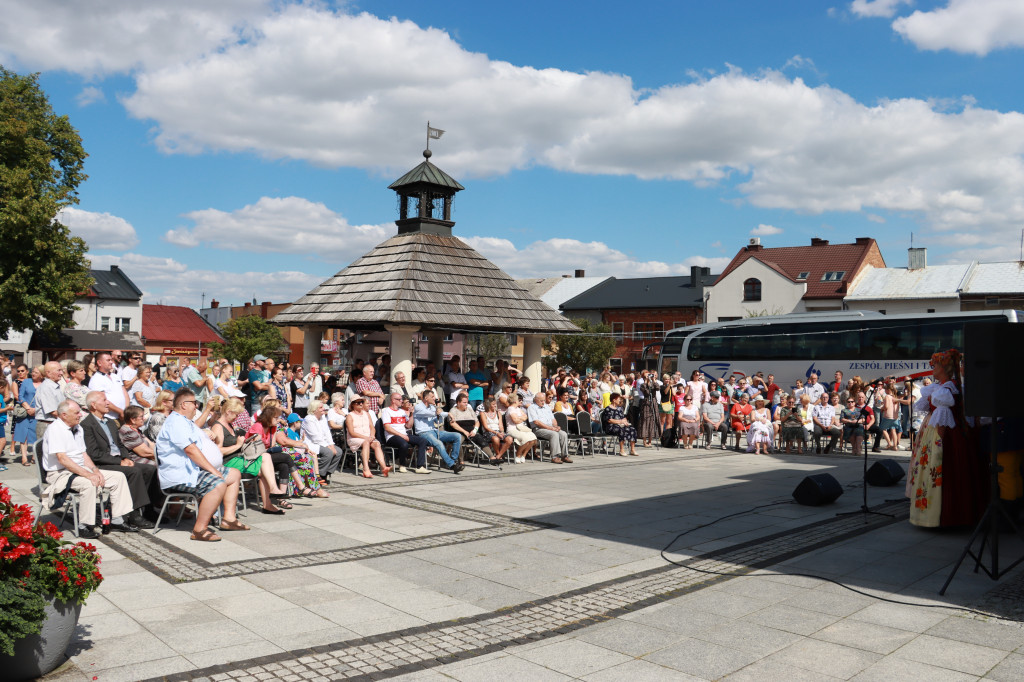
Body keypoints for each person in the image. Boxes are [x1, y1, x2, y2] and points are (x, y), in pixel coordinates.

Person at [906, 350, 986, 528]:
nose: (932, 368)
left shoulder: (949, 388)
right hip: (938, 433)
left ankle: (945, 517)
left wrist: (937, 446)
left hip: (945, 436)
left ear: (944, 367)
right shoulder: (943, 387)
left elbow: (943, 421)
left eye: (936, 365)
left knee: (943, 473)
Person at [156, 389, 249, 541]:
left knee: (233, 474)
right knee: (218, 483)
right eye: (194, 403)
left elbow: (197, 438)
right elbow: (190, 450)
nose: (196, 406)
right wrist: (213, 470)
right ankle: (199, 529)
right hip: (180, 475)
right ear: (184, 405)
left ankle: (228, 519)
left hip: (192, 470)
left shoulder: (185, 422)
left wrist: (205, 432)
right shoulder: (176, 422)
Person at [41, 401, 137, 539]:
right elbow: (62, 459)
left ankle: (117, 519)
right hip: (60, 473)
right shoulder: (55, 429)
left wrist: (94, 470)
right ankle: (85, 525)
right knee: (89, 483)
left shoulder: (77, 428)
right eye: (76, 413)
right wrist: (88, 475)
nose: (80, 415)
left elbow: (83, 454)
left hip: (80, 469)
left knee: (118, 477)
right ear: (64, 415)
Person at [412, 389, 463, 473]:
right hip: (423, 433)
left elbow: (438, 418)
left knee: (457, 435)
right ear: (426, 398)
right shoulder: (418, 407)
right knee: (439, 443)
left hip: (434, 431)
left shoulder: (432, 407)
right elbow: (428, 413)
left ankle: (453, 461)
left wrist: (444, 415)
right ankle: (452, 465)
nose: (434, 398)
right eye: (432, 397)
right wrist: (440, 413)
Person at [380, 392, 427, 473]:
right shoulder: (386, 411)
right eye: (399, 399)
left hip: (403, 434)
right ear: (393, 400)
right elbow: (387, 428)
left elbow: (408, 426)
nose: (401, 401)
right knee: (404, 444)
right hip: (391, 436)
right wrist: (402, 435)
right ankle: (402, 464)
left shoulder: (402, 412)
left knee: (422, 441)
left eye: (401, 399)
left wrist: (412, 414)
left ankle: (420, 466)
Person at [346, 397, 391, 478]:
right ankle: (366, 468)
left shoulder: (366, 414)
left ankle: (384, 467)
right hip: (355, 438)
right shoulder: (350, 416)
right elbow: (352, 432)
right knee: (366, 442)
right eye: (358, 402)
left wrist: (372, 435)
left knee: (377, 444)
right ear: (352, 404)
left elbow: (372, 427)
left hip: (367, 437)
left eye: (362, 402)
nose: (360, 404)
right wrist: (366, 437)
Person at [301, 399, 343, 483]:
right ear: (314, 410)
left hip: (322, 442)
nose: (323, 409)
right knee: (328, 452)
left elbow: (327, 432)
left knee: (339, 451)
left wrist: (331, 445)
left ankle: (326, 473)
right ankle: (319, 474)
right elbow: (315, 437)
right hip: (311, 443)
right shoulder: (309, 419)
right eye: (320, 407)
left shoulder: (322, 417)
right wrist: (328, 447)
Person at [528, 392, 572, 464]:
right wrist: (551, 428)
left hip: (550, 428)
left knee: (563, 434)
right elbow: (536, 422)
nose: (543, 402)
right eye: (541, 400)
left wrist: (555, 426)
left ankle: (564, 456)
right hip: (539, 429)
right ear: (536, 400)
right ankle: (555, 457)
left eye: (544, 400)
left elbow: (553, 419)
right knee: (554, 434)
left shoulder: (547, 407)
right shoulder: (532, 407)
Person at [88, 352, 129, 422]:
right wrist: (120, 412)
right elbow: (102, 400)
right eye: (108, 360)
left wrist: (126, 411)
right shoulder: (96, 379)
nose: (111, 362)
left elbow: (125, 394)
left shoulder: (115, 376)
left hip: (123, 416)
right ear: (99, 363)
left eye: (111, 360)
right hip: (109, 418)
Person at [12, 364, 38, 466]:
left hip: (37, 411)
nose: (20, 373)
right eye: (18, 371)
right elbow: (18, 395)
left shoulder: (44, 383)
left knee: (36, 434)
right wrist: (27, 407)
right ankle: (23, 457)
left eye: (22, 371)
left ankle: (34, 456)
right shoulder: (20, 382)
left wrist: (35, 409)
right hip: (23, 410)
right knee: (23, 433)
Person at [34, 361, 65, 440]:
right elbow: (53, 411)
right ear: (48, 373)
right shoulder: (46, 387)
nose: (61, 373)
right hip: (47, 425)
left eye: (61, 370)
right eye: (58, 370)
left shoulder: (54, 386)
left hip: (54, 423)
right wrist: (69, 418)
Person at [504, 393, 538, 463]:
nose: (519, 401)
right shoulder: (510, 409)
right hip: (512, 429)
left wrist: (519, 418)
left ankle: (524, 455)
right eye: (518, 399)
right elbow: (515, 420)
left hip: (521, 428)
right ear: (515, 401)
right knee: (526, 439)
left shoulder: (518, 409)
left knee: (533, 439)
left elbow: (525, 416)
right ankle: (518, 455)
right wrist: (521, 418)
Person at [478, 396, 514, 463]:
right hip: (488, 432)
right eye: (493, 404)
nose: (495, 406)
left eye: (495, 404)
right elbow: (486, 427)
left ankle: (498, 456)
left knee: (509, 439)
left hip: (498, 431)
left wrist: (502, 432)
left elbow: (500, 425)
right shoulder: (483, 413)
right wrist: (497, 433)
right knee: (496, 439)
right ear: (488, 405)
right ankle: (498, 454)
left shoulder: (498, 413)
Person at [636, 372, 661, 447]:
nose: (649, 377)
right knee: (645, 421)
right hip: (646, 402)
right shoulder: (642, 385)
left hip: (653, 402)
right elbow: (646, 392)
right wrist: (646, 382)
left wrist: (653, 380)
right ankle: (644, 441)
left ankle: (650, 441)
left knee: (653, 421)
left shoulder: (653, 384)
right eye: (647, 376)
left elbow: (658, 388)